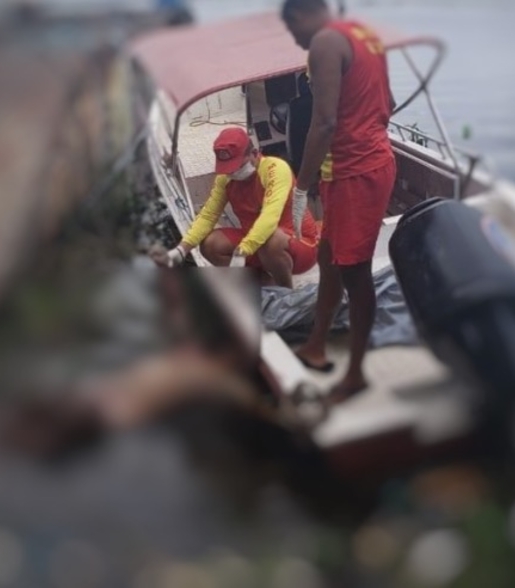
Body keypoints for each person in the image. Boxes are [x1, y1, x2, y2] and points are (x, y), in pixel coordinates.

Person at [281, 0, 396, 395]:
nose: (297, 42)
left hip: (354, 173)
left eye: (293, 33)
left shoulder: (325, 42)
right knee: (330, 258)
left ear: (299, 17)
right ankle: (315, 345)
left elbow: (324, 121)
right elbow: (389, 104)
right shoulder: (363, 34)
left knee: (356, 274)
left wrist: (301, 185)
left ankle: (357, 374)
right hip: (368, 163)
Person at [150, 127, 318, 289]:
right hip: (257, 247)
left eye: (238, 166)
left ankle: (286, 293)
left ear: (253, 154)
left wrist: (243, 251)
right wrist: (181, 250)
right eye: (228, 169)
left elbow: (270, 216)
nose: (232, 173)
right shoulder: (226, 179)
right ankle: (265, 288)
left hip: (299, 246)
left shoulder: (275, 169)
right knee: (211, 244)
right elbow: (208, 215)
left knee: (270, 237)